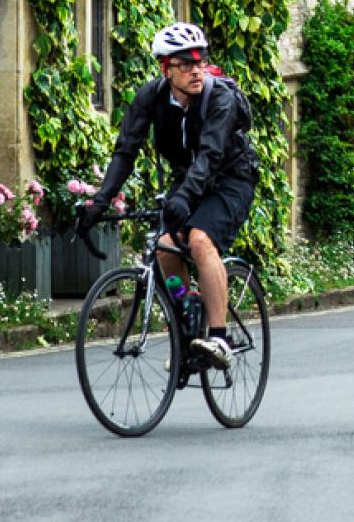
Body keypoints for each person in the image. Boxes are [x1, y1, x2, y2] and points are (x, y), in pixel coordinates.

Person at [77, 22, 259, 370]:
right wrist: (99, 202)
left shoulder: (219, 98)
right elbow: (125, 151)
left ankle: (219, 337)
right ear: (165, 68)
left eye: (200, 61)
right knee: (164, 247)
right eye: (185, 63)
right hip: (189, 179)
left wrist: (184, 198)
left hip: (231, 178)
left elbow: (210, 155)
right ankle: (188, 312)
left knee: (201, 240)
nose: (196, 70)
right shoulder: (151, 97)